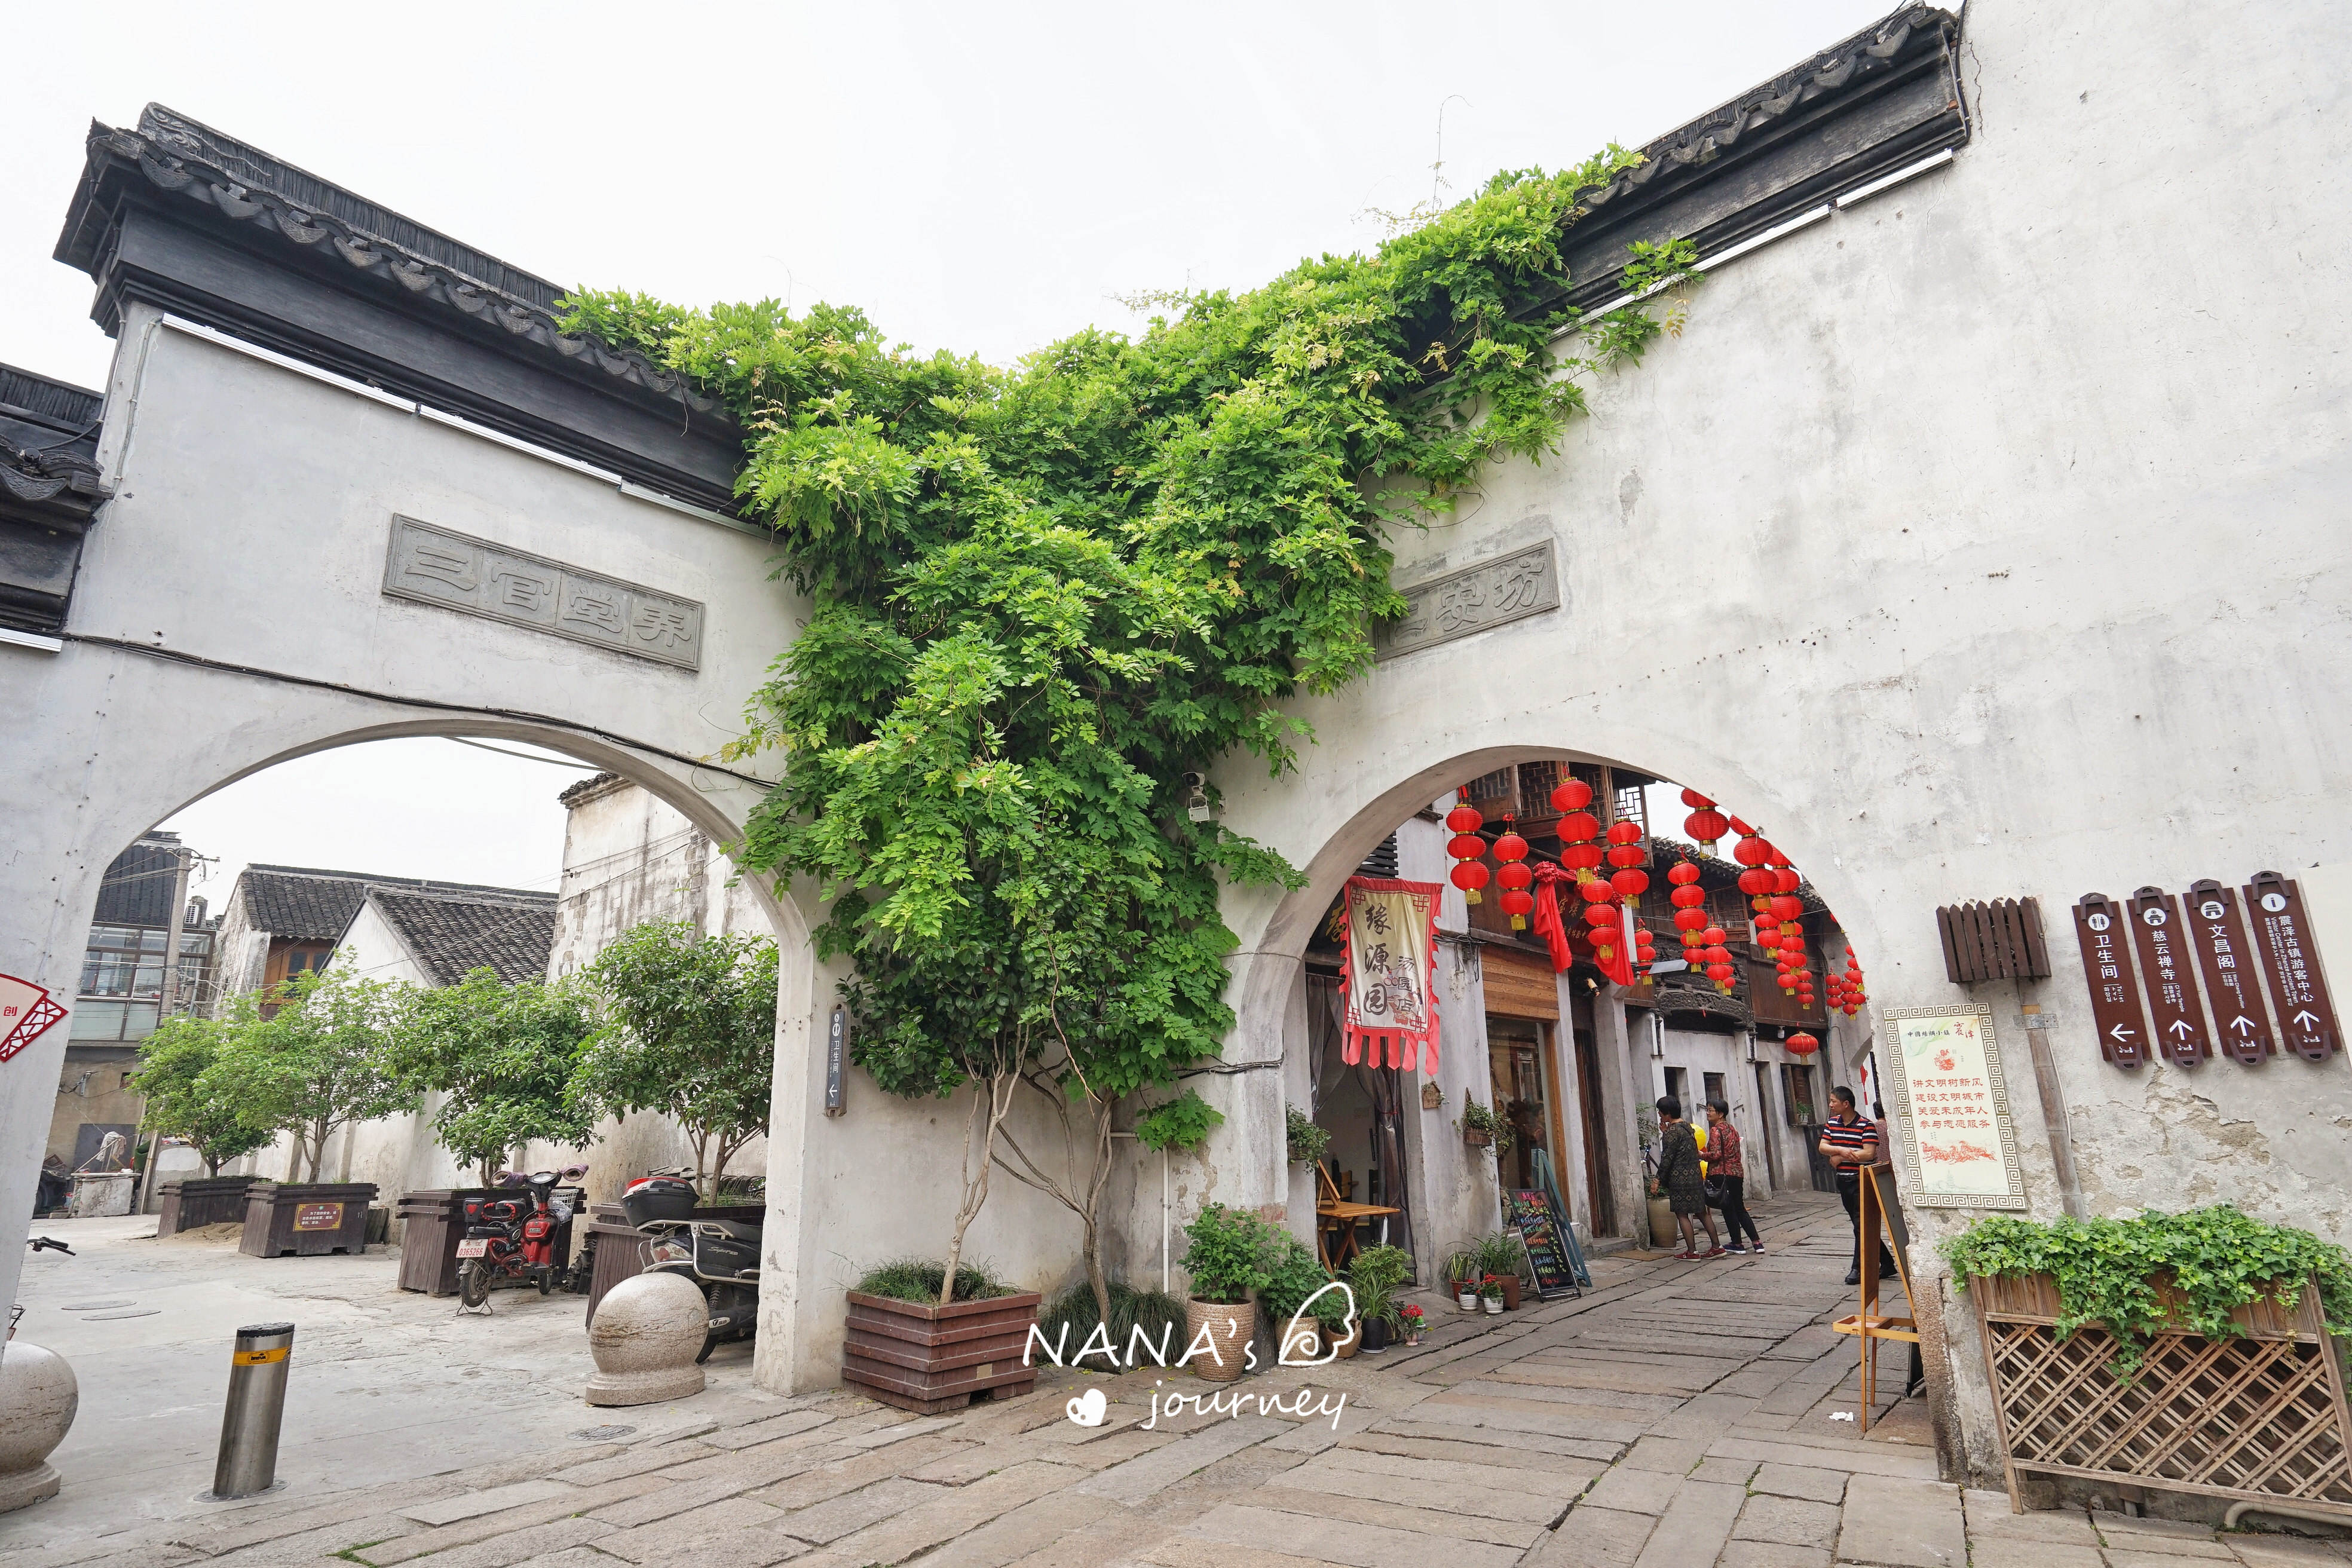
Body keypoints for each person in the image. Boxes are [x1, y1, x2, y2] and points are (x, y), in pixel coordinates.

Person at [1819, 1085, 1895, 1287]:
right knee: (1858, 1224)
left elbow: (1868, 1153)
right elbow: (1823, 1147)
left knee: (1860, 1225)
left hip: (1862, 1179)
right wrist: (1842, 1151)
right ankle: (1887, 1263)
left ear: (1846, 1104)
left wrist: (1840, 1156)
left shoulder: (1865, 1125)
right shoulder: (1832, 1124)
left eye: (1834, 1101)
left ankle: (1858, 1268)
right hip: (1843, 1180)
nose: (1831, 1105)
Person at [1650, 1095, 1722, 1259]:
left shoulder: (1672, 1133)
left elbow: (1667, 1158)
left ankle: (1692, 1252)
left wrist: (1657, 1179)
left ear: (1668, 1113)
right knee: (1702, 1212)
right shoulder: (1687, 1128)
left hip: (1680, 1179)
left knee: (1682, 1214)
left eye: (1661, 1111)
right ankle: (1717, 1247)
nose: (1659, 1114)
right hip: (1695, 1176)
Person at [1702, 1099, 1763, 1254]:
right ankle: (1757, 1243)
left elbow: (1716, 1155)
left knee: (1728, 1209)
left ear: (1720, 1114)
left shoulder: (1716, 1130)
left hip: (1721, 1174)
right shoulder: (1732, 1129)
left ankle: (1737, 1243)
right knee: (1740, 1208)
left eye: (1710, 1110)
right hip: (1736, 1173)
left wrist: (1702, 1155)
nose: (1708, 1113)